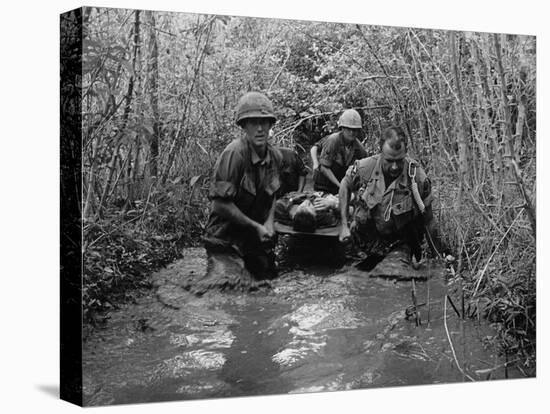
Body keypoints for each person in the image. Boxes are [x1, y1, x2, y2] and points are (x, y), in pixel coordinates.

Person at [203, 91, 282, 281]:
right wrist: (255, 226)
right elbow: (219, 205)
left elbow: (273, 195)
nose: (260, 129)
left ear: (271, 125)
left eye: (264, 122)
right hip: (224, 239)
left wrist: (269, 222)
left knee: (268, 280)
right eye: (253, 123)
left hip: (253, 239)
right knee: (231, 285)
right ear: (244, 127)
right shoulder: (234, 154)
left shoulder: (275, 157)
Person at [338, 126, 445, 265]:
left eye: (399, 160)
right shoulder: (365, 167)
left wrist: (438, 258)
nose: (394, 167)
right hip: (363, 239)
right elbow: (345, 185)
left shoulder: (417, 178)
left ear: (406, 152)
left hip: (397, 244)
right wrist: (344, 226)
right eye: (389, 161)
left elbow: (429, 221)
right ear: (380, 152)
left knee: (391, 276)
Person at [314, 109, 368, 194]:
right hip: (323, 184)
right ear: (342, 129)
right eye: (348, 129)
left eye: (354, 130)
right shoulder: (333, 140)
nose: (351, 132)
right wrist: (340, 186)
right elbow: (324, 168)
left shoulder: (360, 149)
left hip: (340, 183)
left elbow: (363, 172)